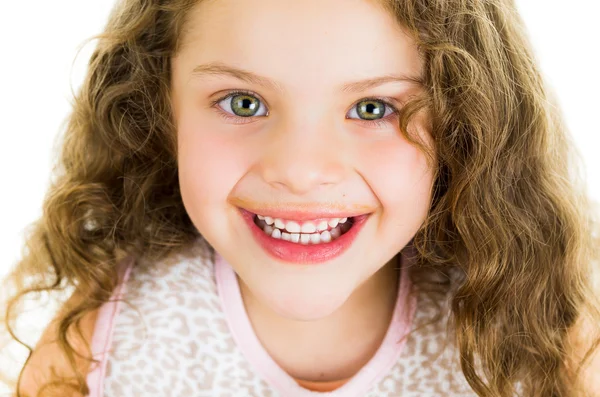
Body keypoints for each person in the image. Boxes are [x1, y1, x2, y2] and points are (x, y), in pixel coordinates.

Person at [2, 0, 599, 395]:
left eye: (373, 109)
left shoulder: (544, 337)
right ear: (160, 111)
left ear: (467, 122)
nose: (300, 171)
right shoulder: (99, 342)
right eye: (242, 102)